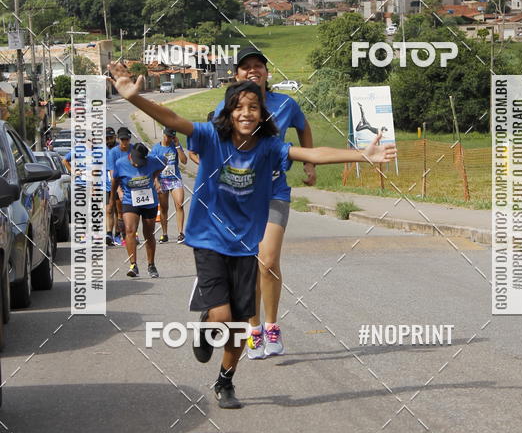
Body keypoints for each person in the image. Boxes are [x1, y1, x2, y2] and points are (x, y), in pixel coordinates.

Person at [107, 61, 396, 410]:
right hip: (210, 238)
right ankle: (209, 321)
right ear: (228, 112)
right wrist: (134, 98)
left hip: (246, 243)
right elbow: (171, 119)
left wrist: (362, 155)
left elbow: (311, 153)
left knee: (240, 326)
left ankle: (225, 380)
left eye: (254, 107)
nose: (246, 113)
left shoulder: (269, 147)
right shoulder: (210, 136)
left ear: (262, 114)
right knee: (223, 317)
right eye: (239, 107)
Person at [212, 44, 316, 360]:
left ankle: (271, 326)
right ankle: (253, 328)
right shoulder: (226, 106)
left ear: (267, 73)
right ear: (236, 74)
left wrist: (309, 163)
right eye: (246, 66)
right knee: (250, 263)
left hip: (274, 192)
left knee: (267, 260)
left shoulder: (285, 104)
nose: (253, 70)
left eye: (259, 65)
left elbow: (304, 127)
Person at [110, 141, 164, 279]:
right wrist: (112, 199)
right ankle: (133, 265)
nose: (137, 164)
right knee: (129, 230)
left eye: (141, 161)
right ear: (131, 155)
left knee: (148, 233)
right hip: (130, 200)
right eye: (136, 161)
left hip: (148, 201)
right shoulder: (120, 163)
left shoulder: (152, 161)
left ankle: (151, 265)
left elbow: (164, 162)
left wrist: (154, 177)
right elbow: (115, 181)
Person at [150, 127, 187, 243]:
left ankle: (181, 233)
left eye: (172, 136)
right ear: (163, 134)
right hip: (162, 181)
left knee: (180, 204)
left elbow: (184, 161)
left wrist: (177, 145)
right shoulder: (156, 149)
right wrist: (156, 182)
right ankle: (164, 233)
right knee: (164, 208)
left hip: (175, 179)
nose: (170, 138)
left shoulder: (175, 145)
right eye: (168, 136)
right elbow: (152, 167)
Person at [108, 127, 133, 245]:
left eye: (127, 139)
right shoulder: (114, 152)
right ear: (119, 139)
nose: (124, 142)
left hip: (132, 184)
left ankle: (131, 234)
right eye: (122, 140)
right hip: (118, 184)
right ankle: (121, 235)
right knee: (119, 211)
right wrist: (118, 190)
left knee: (133, 212)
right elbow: (113, 172)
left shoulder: (133, 149)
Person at [105, 126, 117, 244]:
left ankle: (118, 233)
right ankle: (109, 234)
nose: (109, 140)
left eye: (110, 137)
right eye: (106, 138)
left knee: (119, 211)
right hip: (105, 184)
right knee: (108, 210)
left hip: (119, 184)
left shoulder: (120, 147)